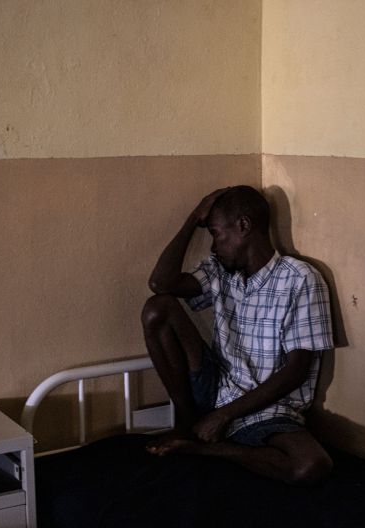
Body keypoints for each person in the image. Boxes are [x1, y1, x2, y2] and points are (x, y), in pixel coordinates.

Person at [141, 185, 335, 485]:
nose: (213, 247)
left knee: (311, 466)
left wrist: (224, 416)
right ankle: (186, 423)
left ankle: (213, 450)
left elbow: (296, 371)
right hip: (216, 387)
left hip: (267, 409)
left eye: (216, 234)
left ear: (243, 226)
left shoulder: (300, 280)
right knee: (158, 309)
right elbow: (160, 284)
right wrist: (195, 217)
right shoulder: (221, 271)